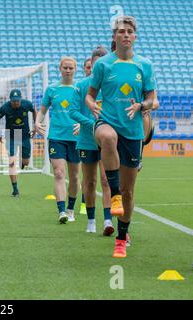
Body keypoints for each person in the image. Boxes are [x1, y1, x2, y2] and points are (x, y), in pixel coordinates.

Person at [86, 16, 156, 258]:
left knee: (129, 191)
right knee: (107, 137)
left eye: (129, 31)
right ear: (114, 37)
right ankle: (113, 196)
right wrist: (92, 105)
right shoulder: (103, 65)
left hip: (133, 130)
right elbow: (90, 95)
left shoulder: (144, 65)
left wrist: (142, 106)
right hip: (107, 120)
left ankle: (122, 236)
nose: (125, 34)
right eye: (120, 31)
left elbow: (152, 99)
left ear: (134, 36)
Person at [70, 46, 114, 236]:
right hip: (87, 140)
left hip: (107, 141)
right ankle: (90, 221)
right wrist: (91, 123)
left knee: (106, 180)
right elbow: (72, 111)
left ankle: (107, 220)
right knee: (89, 182)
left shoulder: (112, 86)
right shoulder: (81, 86)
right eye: (95, 65)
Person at [35, 57, 81, 224]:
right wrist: (37, 121)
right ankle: (61, 211)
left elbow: (86, 113)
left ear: (75, 69)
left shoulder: (80, 89)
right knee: (59, 173)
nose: (68, 70)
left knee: (75, 176)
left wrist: (82, 125)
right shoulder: (52, 89)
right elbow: (42, 110)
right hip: (56, 137)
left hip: (76, 138)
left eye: (71, 68)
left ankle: (70, 209)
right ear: (60, 69)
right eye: (65, 68)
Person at [0, 89, 36, 197]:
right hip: (11, 136)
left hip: (24, 135)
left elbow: (34, 111)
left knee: (26, 162)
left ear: (21, 99)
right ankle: (15, 189)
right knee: (11, 162)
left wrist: (36, 125)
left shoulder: (27, 104)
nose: (15, 103)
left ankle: (23, 160)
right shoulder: (5, 108)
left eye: (17, 101)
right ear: (10, 100)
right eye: (13, 101)